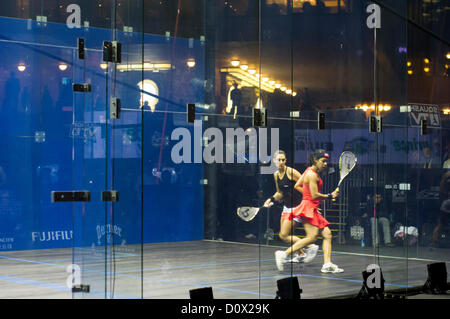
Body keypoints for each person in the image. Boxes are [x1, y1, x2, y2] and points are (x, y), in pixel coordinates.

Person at [274, 149, 343, 273]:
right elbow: (315, 195)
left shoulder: (308, 171)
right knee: (311, 237)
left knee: (327, 234)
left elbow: (297, 186)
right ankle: (283, 254)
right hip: (308, 208)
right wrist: (330, 195)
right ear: (316, 160)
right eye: (323, 161)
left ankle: (327, 264)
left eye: (327, 161)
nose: (326, 164)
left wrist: (308, 198)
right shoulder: (312, 175)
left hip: (310, 206)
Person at [264, 150, 319, 264]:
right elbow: (279, 193)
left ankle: (309, 247)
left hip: (298, 207)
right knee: (282, 236)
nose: (281, 162)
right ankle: (302, 253)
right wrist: (270, 199)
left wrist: (311, 203)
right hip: (287, 207)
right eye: (279, 160)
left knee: (284, 234)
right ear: (274, 161)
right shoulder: (275, 175)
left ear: (286, 160)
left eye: (283, 160)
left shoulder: (291, 172)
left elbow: (306, 185)